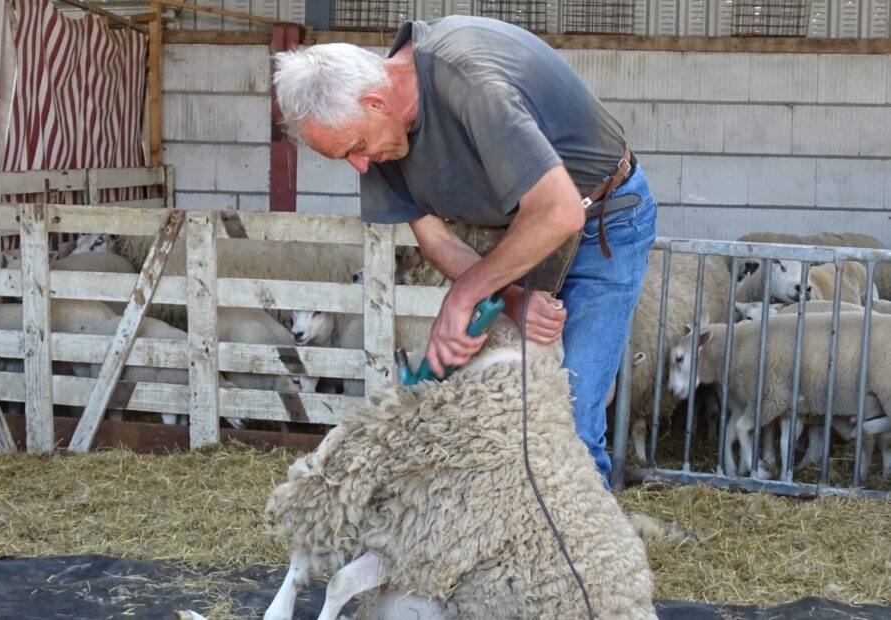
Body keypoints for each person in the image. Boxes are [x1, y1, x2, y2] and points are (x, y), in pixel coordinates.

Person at [272, 15, 657, 486]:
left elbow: (559, 212)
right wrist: (511, 297)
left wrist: (463, 296)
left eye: (356, 147)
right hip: (518, 230)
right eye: (346, 157)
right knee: (508, 410)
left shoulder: (467, 77)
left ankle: (580, 548)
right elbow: (434, 238)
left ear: (375, 102)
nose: (360, 164)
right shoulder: (379, 134)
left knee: (571, 409)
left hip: (604, 215)